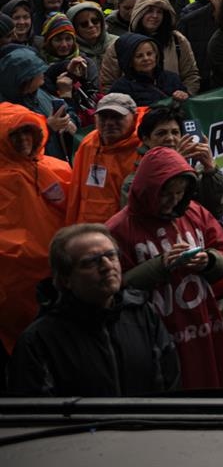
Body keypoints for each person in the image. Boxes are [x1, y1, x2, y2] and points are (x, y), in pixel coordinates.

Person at [105, 147, 223, 389]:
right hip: (152, 336)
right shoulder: (118, 229)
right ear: (148, 190)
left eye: (180, 193)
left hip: (202, 330)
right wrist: (159, 266)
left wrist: (209, 261)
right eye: (166, 194)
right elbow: (110, 288)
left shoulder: (194, 212)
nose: (174, 201)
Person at [7, 223, 178, 396]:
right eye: (90, 262)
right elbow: (38, 413)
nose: (107, 266)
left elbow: (168, 383)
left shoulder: (142, 315)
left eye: (111, 255)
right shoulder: (39, 340)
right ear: (66, 279)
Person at [0, 103, 74, 357]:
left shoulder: (57, 168)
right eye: (14, 135)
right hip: (16, 280)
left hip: (61, 268)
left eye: (27, 132)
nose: (22, 140)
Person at [65, 91, 144, 225]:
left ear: (134, 117)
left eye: (116, 117)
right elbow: (76, 191)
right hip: (90, 230)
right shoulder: (89, 143)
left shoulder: (144, 146)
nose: (109, 123)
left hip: (127, 229)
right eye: (103, 117)